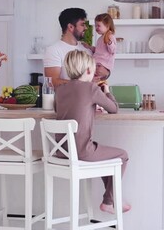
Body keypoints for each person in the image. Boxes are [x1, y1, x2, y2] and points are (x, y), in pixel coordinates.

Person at [54, 49, 131, 214]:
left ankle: (109, 199)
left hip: (61, 152)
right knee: (122, 155)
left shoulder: (59, 90)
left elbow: (61, 109)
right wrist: (107, 91)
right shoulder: (91, 89)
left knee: (106, 159)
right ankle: (108, 201)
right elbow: (114, 109)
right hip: (81, 152)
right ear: (88, 70)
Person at [43, 8, 92, 87]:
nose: (86, 28)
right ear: (71, 27)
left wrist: (105, 74)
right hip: (65, 99)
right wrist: (83, 85)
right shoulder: (53, 50)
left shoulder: (87, 49)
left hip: (88, 98)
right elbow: (52, 82)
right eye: (82, 24)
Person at [83, 13, 116, 85]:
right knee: (93, 80)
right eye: (95, 26)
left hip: (102, 65)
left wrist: (109, 42)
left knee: (92, 79)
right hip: (97, 64)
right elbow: (98, 50)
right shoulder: (100, 38)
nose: (96, 28)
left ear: (107, 26)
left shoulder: (110, 36)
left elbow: (112, 50)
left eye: (99, 26)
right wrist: (89, 47)